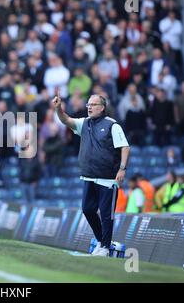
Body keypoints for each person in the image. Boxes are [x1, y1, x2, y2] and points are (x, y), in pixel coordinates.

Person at [52, 91, 130, 257]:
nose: (89, 107)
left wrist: (122, 169)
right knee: (87, 209)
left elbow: (125, 146)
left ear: (102, 108)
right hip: (89, 177)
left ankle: (106, 247)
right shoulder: (84, 123)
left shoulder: (112, 125)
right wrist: (59, 108)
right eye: (88, 104)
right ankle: (101, 242)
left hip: (108, 179)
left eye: (93, 105)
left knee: (106, 215)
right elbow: (66, 120)